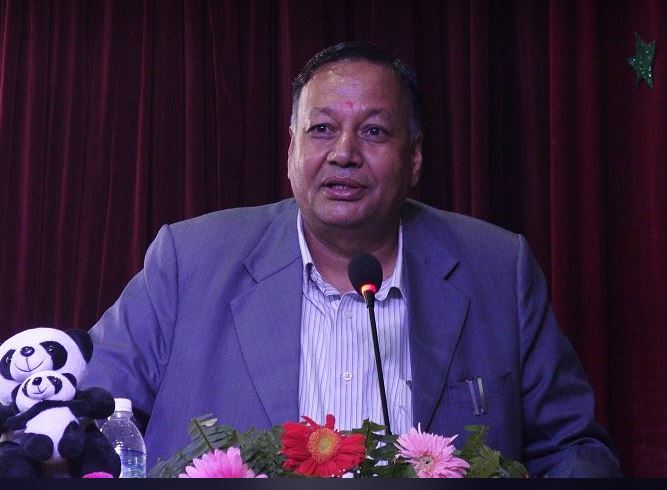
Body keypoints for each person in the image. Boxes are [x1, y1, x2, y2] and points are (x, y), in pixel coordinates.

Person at [82, 41, 621, 477]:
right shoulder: (189, 262)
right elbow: (82, 420)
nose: (344, 153)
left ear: (414, 158)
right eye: (321, 129)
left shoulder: (498, 269)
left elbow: (574, 449)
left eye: (374, 131)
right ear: (290, 149)